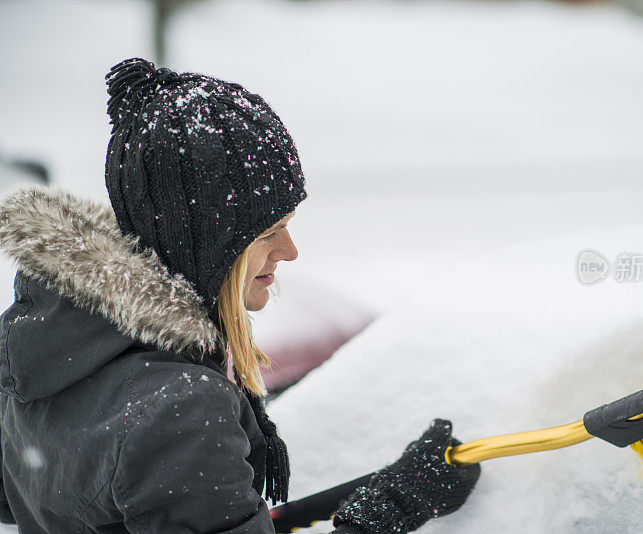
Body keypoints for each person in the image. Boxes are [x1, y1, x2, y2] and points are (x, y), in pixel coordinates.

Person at [0, 58, 480, 533]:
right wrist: (393, 507)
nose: (289, 251)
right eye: (270, 231)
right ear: (207, 245)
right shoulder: (177, 407)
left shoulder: (46, 349)